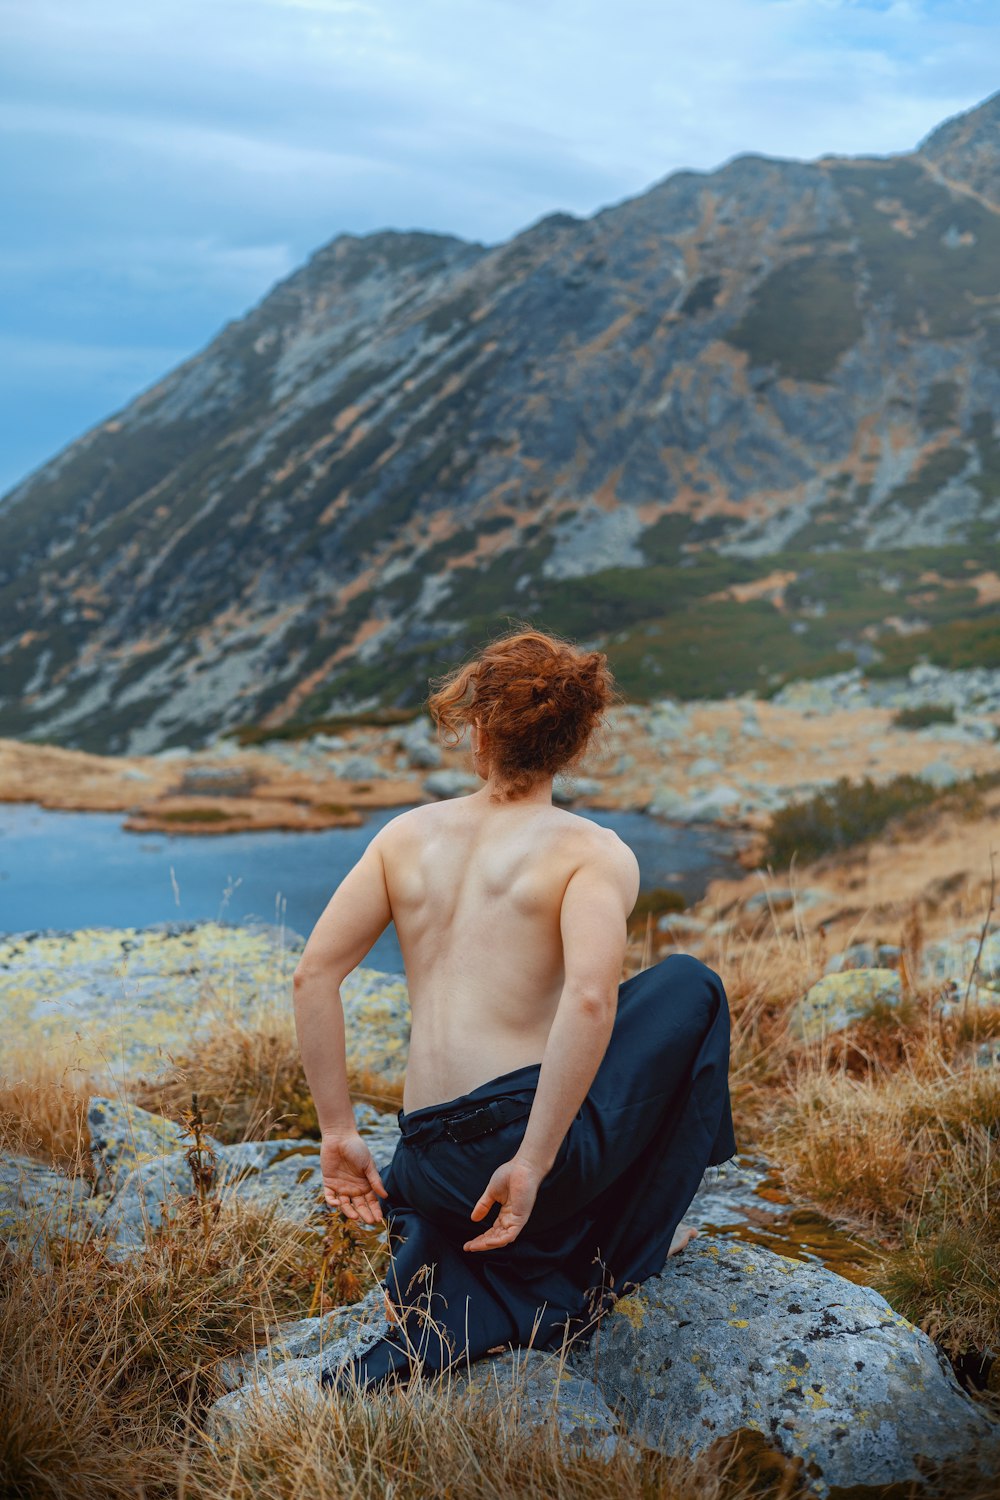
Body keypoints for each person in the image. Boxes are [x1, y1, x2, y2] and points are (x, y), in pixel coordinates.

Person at [291, 627, 737, 1391]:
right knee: (689, 987)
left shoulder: (405, 836)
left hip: (423, 1166)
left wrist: (338, 1134)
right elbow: (591, 1000)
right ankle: (630, 1243)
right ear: (577, 739)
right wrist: (530, 1164)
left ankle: (466, 1249)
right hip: (514, 1166)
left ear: (477, 729)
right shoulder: (590, 853)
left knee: (636, 1005)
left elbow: (313, 977)